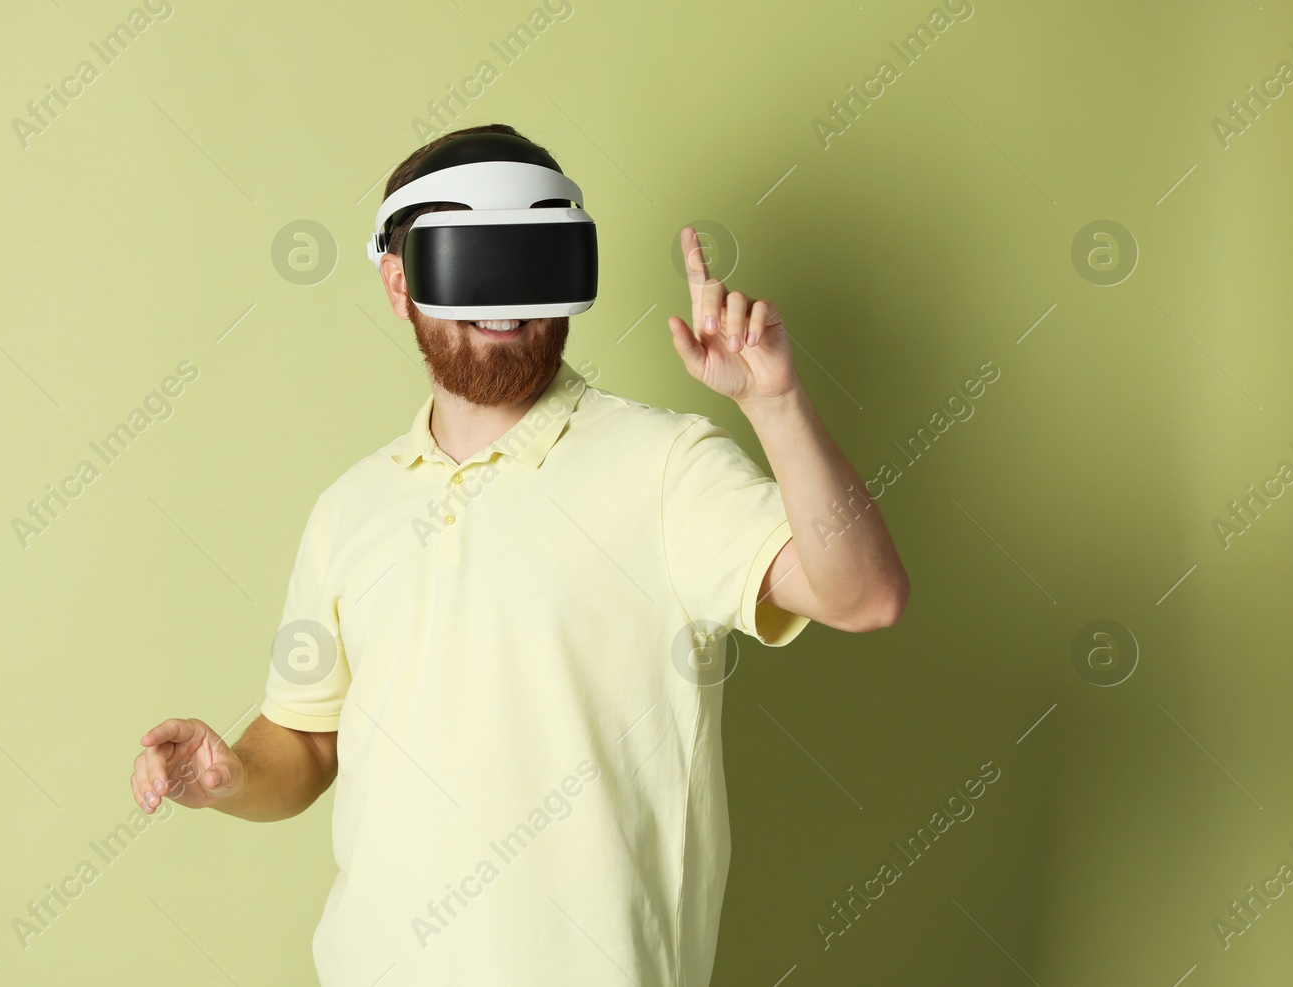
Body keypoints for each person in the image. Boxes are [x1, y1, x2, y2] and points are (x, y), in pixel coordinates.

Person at [130, 124, 909, 985]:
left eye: (533, 260)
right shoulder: (350, 509)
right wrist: (229, 773)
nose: (505, 302)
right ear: (399, 283)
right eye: (473, 262)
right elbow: (308, 745)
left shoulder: (662, 469)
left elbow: (863, 594)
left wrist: (778, 403)